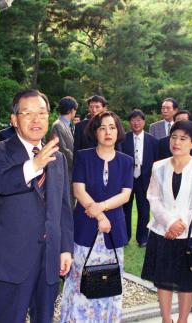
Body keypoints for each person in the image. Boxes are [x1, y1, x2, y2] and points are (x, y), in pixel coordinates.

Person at [0, 89, 73, 323]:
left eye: (41, 113)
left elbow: (62, 207)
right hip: (11, 261)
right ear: (14, 119)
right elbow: (1, 183)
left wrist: (65, 248)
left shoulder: (58, 157)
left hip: (49, 259)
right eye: (27, 113)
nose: (36, 119)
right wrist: (34, 165)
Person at [61, 111, 133, 322]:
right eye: (102, 127)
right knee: (79, 278)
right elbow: (79, 191)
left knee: (108, 280)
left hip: (114, 230)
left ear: (118, 131)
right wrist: (101, 216)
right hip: (85, 227)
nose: (107, 132)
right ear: (95, 132)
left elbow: (125, 195)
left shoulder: (126, 161)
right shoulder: (83, 157)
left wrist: (100, 208)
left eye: (112, 127)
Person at [141, 120, 192, 323]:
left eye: (183, 138)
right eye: (174, 137)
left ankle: (182, 320)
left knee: (186, 282)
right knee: (162, 280)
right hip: (162, 232)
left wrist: (181, 224)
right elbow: (153, 198)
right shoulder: (159, 166)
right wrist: (169, 223)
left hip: (191, 234)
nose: (177, 142)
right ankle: (166, 319)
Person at [121, 109, 158, 247]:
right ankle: (125, 237)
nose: (136, 123)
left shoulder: (153, 141)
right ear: (129, 122)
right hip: (127, 180)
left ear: (144, 121)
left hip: (145, 179)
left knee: (144, 210)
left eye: (139, 120)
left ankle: (143, 239)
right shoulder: (123, 139)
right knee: (125, 210)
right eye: (133, 120)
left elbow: (156, 162)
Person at [50, 96, 77, 176]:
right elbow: (62, 149)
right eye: (75, 110)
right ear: (72, 110)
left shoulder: (66, 124)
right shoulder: (58, 125)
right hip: (64, 171)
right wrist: (78, 163)